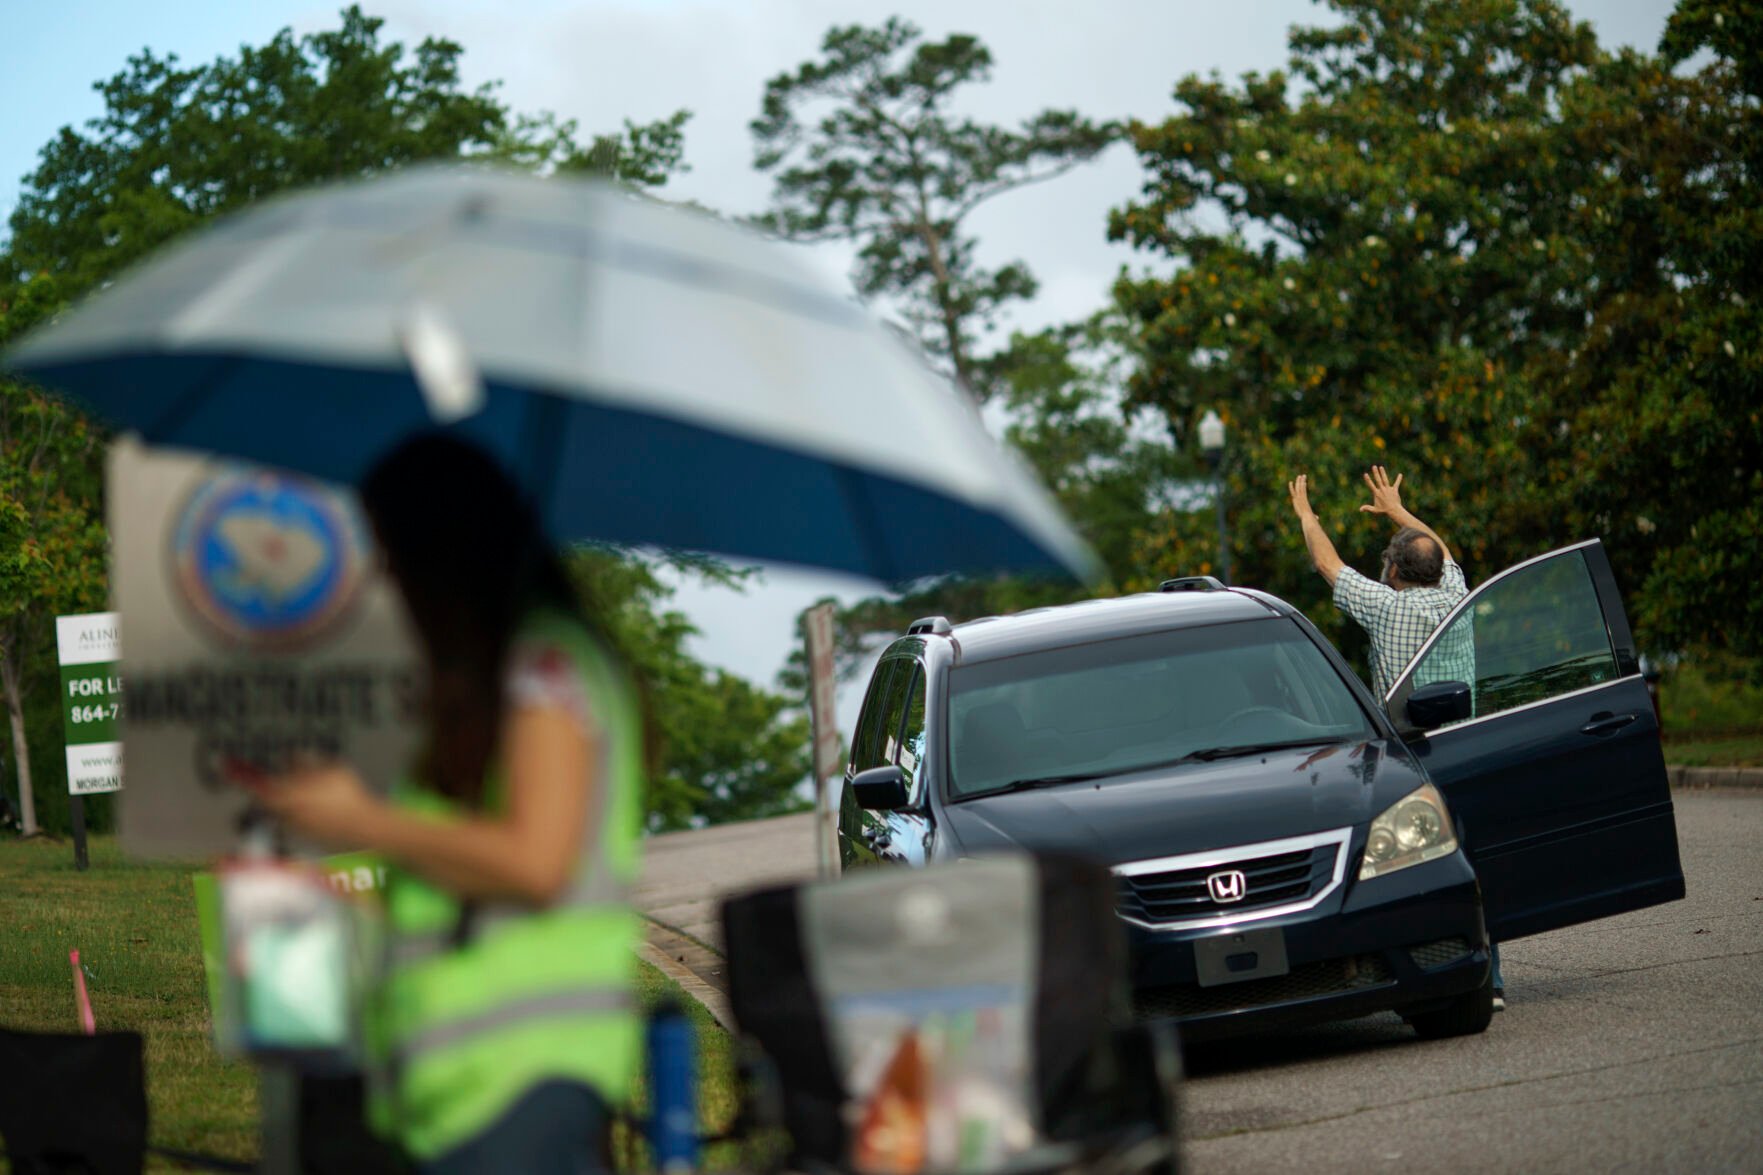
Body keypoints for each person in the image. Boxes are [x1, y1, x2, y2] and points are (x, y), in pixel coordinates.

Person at [236, 433, 648, 1172]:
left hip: (524, 1078)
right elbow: (452, 880)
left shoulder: (545, 664)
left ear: (448, 550)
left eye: (394, 547)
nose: (386, 574)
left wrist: (362, 819)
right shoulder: (496, 682)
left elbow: (534, 860)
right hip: (460, 1093)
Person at [1287, 464, 1504, 1011]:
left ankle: (1425, 969)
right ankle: (1491, 981)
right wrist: (1399, 510)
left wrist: (1307, 515)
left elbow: (1325, 562)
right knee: (1472, 862)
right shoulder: (1457, 592)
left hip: (1412, 753)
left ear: (1393, 573)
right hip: (1467, 740)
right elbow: (1445, 552)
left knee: (1418, 863)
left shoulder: (1386, 607)